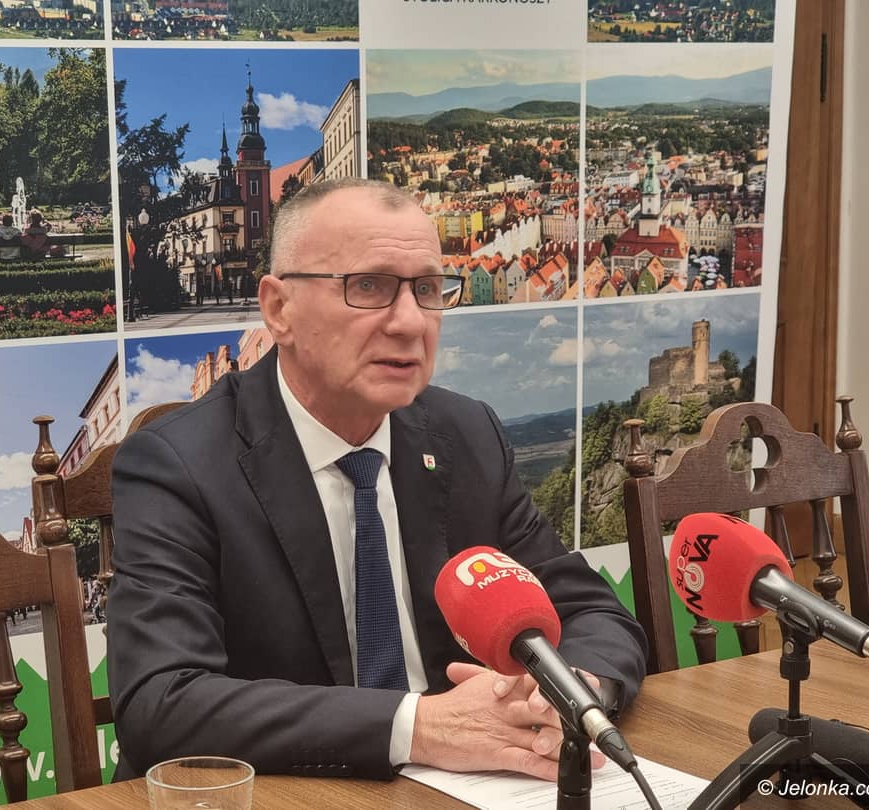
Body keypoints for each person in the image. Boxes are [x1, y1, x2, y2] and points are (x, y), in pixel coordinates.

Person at [106, 178, 647, 783]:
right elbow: (161, 700)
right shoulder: (176, 464)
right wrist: (421, 726)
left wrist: (567, 693)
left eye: (427, 289)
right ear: (279, 309)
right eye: (369, 286)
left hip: (471, 787)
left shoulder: (466, 433)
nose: (411, 322)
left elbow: (593, 613)